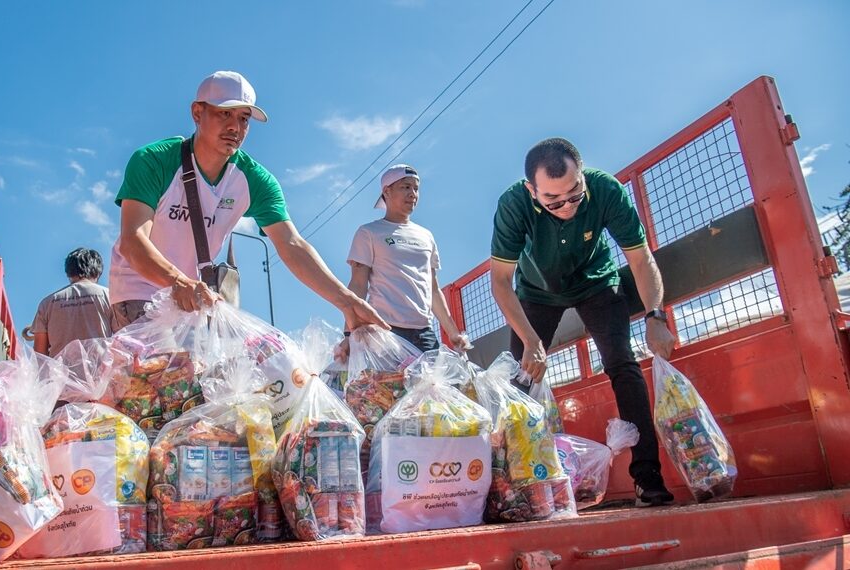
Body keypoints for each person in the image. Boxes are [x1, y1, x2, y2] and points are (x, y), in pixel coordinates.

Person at [109, 70, 385, 332]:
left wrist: (347, 301)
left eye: (243, 118)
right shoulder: (154, 160)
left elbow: (292, 244)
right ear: (197, 112)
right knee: (155, 376)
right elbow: (133, 241)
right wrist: (178, 281)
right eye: (224, 113)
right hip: (140, 290)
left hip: (194, 300)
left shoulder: (254, 179)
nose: (234, 127)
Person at [489, 137, 678, 507]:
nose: (566, 206)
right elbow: (499, 282)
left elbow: (640, 259)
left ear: (583, 175)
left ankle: (648, 477)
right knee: (520, 381)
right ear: (532, 191)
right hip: (537, 292)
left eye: (574, 194)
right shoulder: (513, 204)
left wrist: (656, 314)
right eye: (553, 200)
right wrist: (530, 340)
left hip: (596, 283)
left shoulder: (607, 189)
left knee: (622, 362)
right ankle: (516, 487)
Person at [344, 164, 468, 352]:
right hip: (385, 331)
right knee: (388, 383)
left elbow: (433, 289)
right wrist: (348, 334)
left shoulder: (426, 236)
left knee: (436, 382)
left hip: (424, 333)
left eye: (416, 188)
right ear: (387, 191)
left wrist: (453, 333)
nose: (413, 194)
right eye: (405, 187)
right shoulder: (368, 233)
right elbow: (358, 285)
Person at [31, 248, 113, 356]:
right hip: (101, 371)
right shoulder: (109, 296)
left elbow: (40, 355)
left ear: (68, 272)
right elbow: (123, 339)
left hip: (60, 372)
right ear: (98, 271)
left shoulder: (47, 303)